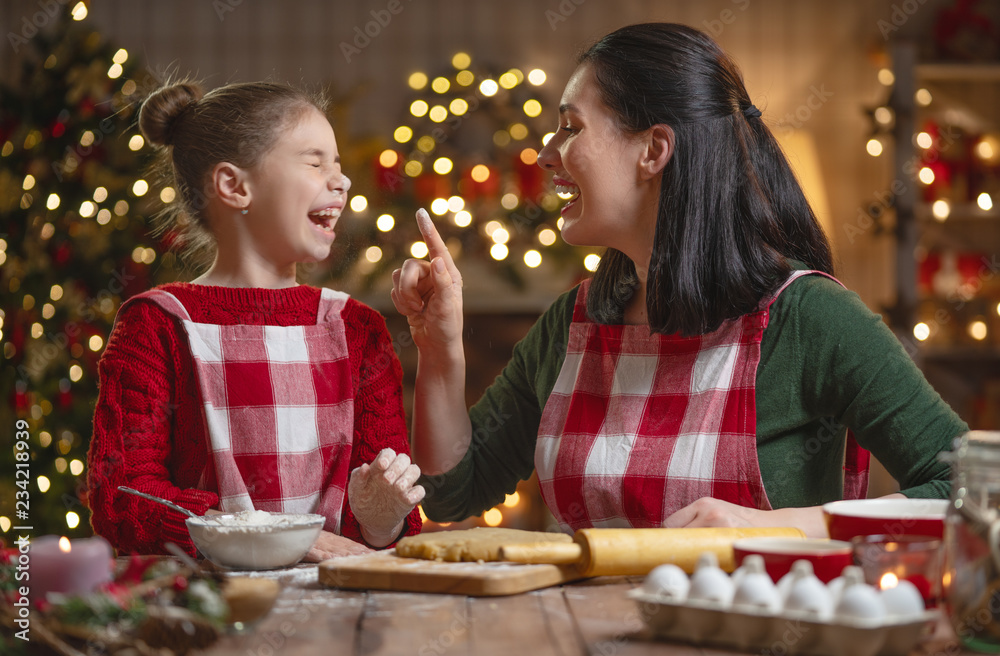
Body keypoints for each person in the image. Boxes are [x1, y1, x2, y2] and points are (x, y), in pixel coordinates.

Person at [391, 23, 968, 538]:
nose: (546, 155)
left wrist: (779, 526)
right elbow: (450, 493)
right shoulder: (571, 325)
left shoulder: (810, 317)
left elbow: (968, 491)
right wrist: (439, 351)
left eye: (570, 128)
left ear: (654, 150)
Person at [87, 80, 425, 561]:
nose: (342, 180)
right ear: (234, 186)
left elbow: (383, 535)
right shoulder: (158, 324)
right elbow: (123, 500)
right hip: (209, 617)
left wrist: (381, 515)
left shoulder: (357, 329)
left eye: (340, 164)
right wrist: (288, 539)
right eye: (315, 162)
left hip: (340, 617)